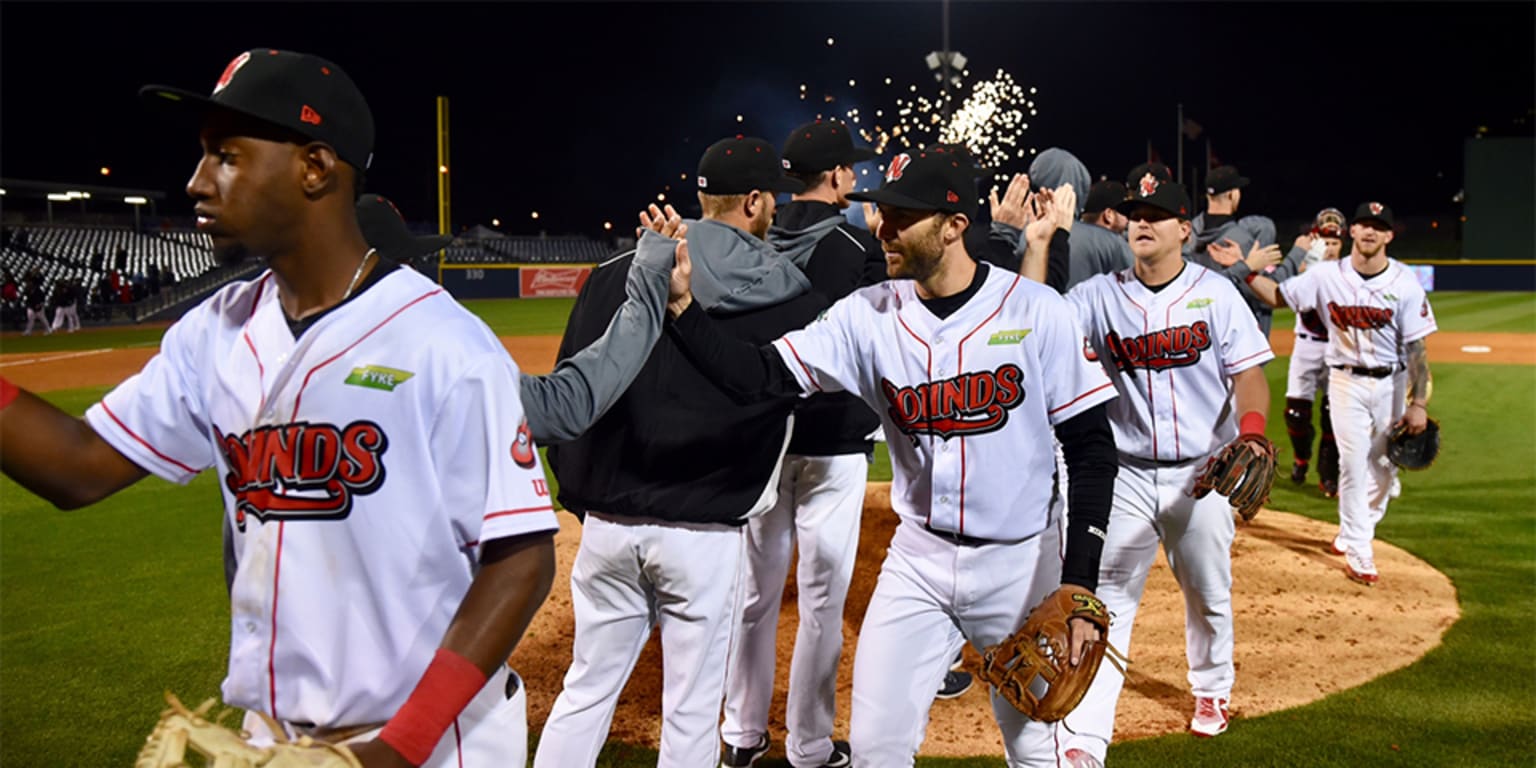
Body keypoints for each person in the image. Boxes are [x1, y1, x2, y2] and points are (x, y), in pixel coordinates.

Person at [1, 49, 558, 767]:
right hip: (271, 737)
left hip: (427, 739)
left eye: (225, 156)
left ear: (315, 168)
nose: (196, 181)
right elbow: (77, 467)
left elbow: (521, 559)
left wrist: (393, 752)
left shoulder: (444, 344)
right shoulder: (215, 331)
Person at [664, 147, 1120, 767]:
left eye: (902, 216)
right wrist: (684, 312)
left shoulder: (1037, 311)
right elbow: (761, 375)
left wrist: (1080, 583)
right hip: (918, 563)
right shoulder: (866, 315)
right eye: (881, 212)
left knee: (1035, 746)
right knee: (877, 749)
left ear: (954, 225)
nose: (883, 228)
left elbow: (1092, 448)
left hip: (1022, 564)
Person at [533, 135, 821, 768]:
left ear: (700, 196)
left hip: (609, 526)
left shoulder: (618, 271)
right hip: (706, 532)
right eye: (769, 198)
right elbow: (784, 402)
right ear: (754, 201)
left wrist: (586, 500)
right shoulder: (788, 291)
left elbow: (572, 390)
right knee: (690, 716)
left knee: (584, 692)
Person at [1035, 178, 1274, 766]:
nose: (1142, 223)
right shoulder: (1096, 296)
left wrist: (1251, 432)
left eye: (1157, 215)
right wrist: (1039, 244)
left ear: (1184, 230)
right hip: (1124, 475)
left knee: (1209, 593)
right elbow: (1033, 321)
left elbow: (1249, 373)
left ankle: (1212, 690)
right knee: (1107, 600)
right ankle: (1088, 737)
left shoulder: (1215, 295)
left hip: (1205, 472)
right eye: (1136, 214)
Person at [716, 119, 881, 768]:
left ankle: (739, 736)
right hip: (833, 438)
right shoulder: (854, 241)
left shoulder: (752, 236)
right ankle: (810, 747)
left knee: (755, 595)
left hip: (762, 434)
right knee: (821, 600)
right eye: (851, 169)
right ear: (837, 175)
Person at [1242, 202, 1437, 585]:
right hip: (1345, 380)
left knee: (1383, 470)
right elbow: (1279, 296)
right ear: (1352, 232)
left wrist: (1418, 404)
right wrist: (1246, 273)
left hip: (1391, 385)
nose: (1368, 232)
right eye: (1363, 225)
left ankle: (1352, 530)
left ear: (1388, 235)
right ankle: (1361, 548)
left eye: (1377, 227)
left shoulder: (1404, 284)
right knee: (1352, 462)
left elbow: (1417, 351)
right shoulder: (1326, 276)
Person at [1275, 208, 1347, 495]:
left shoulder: (1348, 272)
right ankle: (1301, 458)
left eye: (1335, 244)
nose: (1330, 249)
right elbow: (1281, 292)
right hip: (1306, 344)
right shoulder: (1304, 270)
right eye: (1325, 243)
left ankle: (1328, 474)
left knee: (1333, 413)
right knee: (1295, 414)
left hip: (1338, 347)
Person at [1182, 165, 1292, 338]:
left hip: (1194, 330)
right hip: (1233, 334)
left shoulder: (1189, 232)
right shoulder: (1239, 240)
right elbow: (1266, 294)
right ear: (1232, 194)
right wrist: (1296, 257)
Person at [22, 271, 49, 335]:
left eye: (30, 283)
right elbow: (27, 299)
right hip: (31, 306)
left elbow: (43, 297)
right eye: (28, 283)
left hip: (39, 306)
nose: (29, 284)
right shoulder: (27, 290)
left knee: (42, 319)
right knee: (30, 318)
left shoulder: (38, 290)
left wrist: (40, 304)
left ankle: (48, 329)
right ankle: (28, 331)